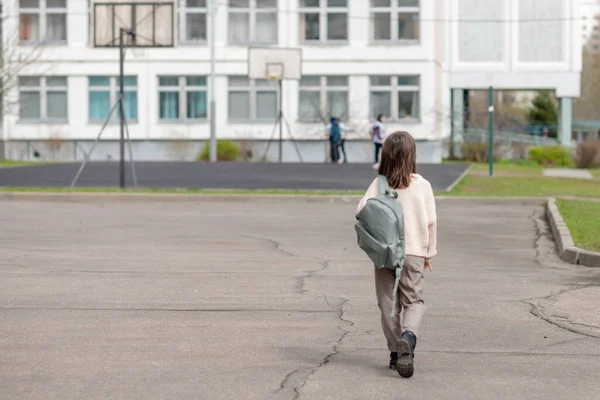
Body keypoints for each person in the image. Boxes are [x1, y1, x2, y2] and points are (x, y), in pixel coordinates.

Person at [357, 131, 437, 378]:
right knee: (413, 300)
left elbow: (361, 210)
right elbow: (431, 222)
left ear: (385, 156)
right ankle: (408, 337)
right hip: (413, 252)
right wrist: (428, 254)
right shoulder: (422, 185)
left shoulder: (379, 184)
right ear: (412, 156)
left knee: (388, 304)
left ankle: (395, 353)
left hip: (384, 253)